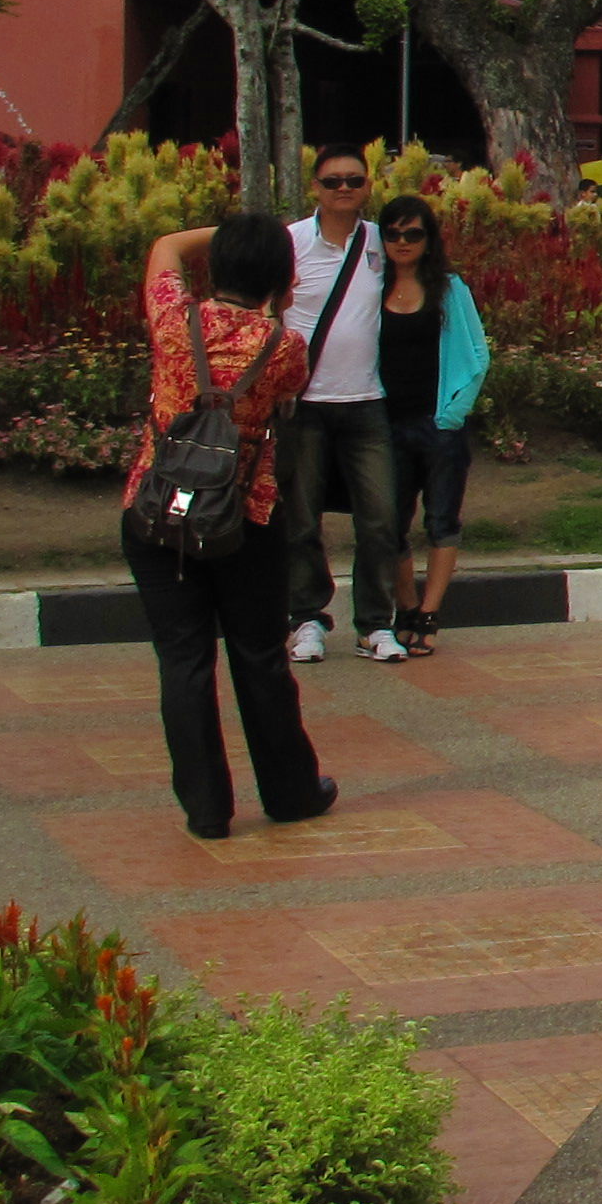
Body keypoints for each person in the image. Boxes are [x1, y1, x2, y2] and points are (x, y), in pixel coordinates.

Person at [123, 212, 336, 838]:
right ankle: (291, 791)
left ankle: (207, 808)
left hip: (157, 510)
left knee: (183, 660)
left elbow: (164, 242)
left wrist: (229, 235)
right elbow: (291, 392)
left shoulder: (173, 320)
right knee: (259, 656)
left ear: (217, 266)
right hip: (246, 517)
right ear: (279, 276)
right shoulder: (283, 349)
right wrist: (279, 288)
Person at [279, 147, 405, 665]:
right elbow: (269, 308)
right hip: (303, 401)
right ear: (316, 187)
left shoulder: (381, 241)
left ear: (368, 185)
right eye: (333, 182)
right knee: (301, 518)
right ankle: (306, 618)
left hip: (366, 401)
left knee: (380, 519)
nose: (343, 189)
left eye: (354, 180)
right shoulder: (290, 242)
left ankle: (375, 624)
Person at [372, 194, 487, 660]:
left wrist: (452, 415)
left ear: (428, 238)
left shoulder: (448, 288)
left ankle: (430, 614)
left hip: (438, 424)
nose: (402, 242)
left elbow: (477, 356)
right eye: (393, 234)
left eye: (413, 233)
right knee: (389, 524)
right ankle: (407, 606)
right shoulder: (371, 288)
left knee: (441, 521)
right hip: (385, 424)